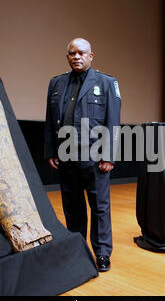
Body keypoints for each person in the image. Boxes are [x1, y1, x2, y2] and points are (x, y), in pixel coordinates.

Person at [44, 38, 121, 272]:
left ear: (91, 56)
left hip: (95, 159)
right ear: (67, 57)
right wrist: (51, 150)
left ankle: (102, 253)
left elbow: (113, 123)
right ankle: (78, 250)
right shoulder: (56, 83)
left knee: (99, 208)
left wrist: (109, 155)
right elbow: (50, 120)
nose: (76, 56)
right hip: (67, 157)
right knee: (72, 207)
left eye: (81, 53)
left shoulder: (107, 83)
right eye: (72, 53)